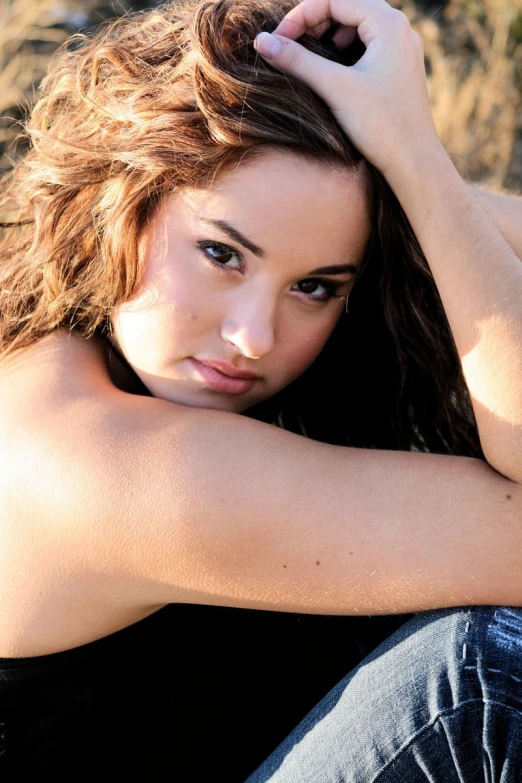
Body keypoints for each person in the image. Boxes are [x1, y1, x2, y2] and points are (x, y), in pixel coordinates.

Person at [0, 0, 522, 778]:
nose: (254, 336)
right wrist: (414, 164)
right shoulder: (97, 464)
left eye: (313, 284)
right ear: (124, 196)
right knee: (480, 671)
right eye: (221, 252)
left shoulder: (99, 334)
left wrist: (414, 174)